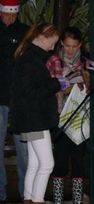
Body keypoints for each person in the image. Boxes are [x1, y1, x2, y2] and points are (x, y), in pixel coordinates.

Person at [10, 23, 69, 204]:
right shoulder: (30, 59)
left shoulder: (27, 56)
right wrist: (57, 84)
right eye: (52, 43)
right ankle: (37, 199)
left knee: (35, 163)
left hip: (31, 118)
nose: (52, 48)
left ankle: (29, 198)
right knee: (47, 164)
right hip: (35, 118)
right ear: (42, 37)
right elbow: (31, 90)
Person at [46, 26, 89, 204]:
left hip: (80, 117)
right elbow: (49, 87)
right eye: (68, 46)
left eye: (75, 46)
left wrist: (85, 79)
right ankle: (58, 200)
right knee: (61, 161)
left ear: (80, 46)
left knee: (79, 161)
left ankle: (77, 200)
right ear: (62, 44)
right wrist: (66, 87)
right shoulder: (54, 61)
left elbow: (92, 85)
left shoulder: (85, 62)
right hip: (60, 117)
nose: (71, 50)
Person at [0, 0, 29, 203]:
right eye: (6, 14)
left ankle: (25, 192)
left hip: (19, 98)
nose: (9, 19)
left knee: (24, 149)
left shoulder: (25, 31)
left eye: (13, 15)